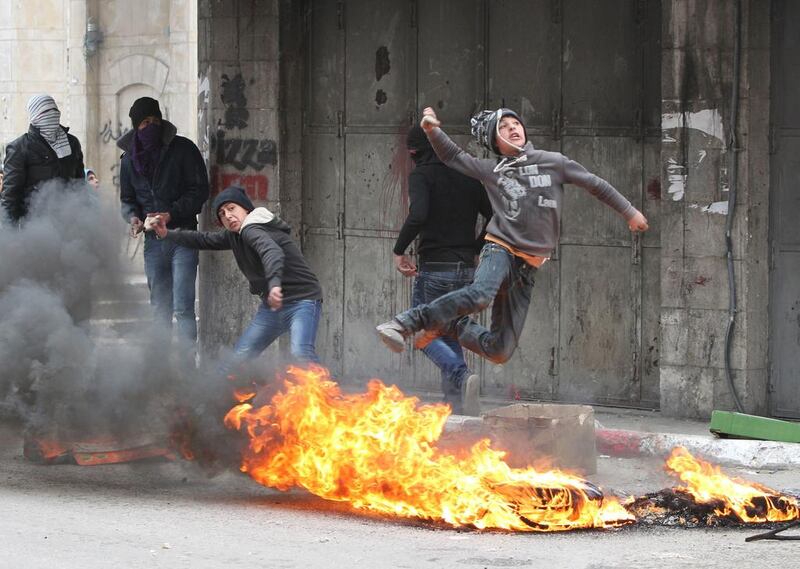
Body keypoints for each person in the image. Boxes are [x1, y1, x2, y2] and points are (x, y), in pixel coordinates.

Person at [377, 106, 649, 366]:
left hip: (528, 266)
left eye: (515, 123)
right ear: (494, 141)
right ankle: (405, 323)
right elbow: (453, 156)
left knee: (499, 350)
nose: (512, 128)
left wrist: (629, 212)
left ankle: (447, 324)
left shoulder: (553, 162)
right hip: (500, 249)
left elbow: (595, 184)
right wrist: (432, 131)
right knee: (480, 295)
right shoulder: (493, 170)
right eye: (503, 127)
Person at [150, 185, 323, 374]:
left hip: (302, 300)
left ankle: (329, 399)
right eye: (222, 214)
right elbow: (203, 239)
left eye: (232, 209)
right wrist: (168, 234)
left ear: (245, 208)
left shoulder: (252, 229)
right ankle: (210, 399)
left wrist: (274, 285)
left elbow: (272, 253)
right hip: (273, 307)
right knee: (236, 361)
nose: (228, 216)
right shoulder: (235, 235)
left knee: (301, 355)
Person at [393, 125, 492, 415]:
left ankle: (461, 376)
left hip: (436, 268)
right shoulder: (469, 175)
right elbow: (495, 216)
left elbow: (419, 214)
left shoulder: (422, 174)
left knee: (422, 333)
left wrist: (399, 250)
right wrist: (474, 248)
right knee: (449, 334)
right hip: (464, 270)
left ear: (415, 152)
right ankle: (457, 409)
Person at [117, 97, 209, 343]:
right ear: (136, 126)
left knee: (183, 308)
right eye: (145, 122)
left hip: (184, 237)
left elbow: (199, 190)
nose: (152, 127)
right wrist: (133, 218)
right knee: (160, 310)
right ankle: (163, 373)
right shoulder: (128, 161)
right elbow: (127, 200)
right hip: (153, 244)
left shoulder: (184, 149)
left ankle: (187, 369)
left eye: (156, 121)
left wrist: (172, 213)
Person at [1, 95, 85, 222]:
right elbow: (11, 195)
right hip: (34, 227)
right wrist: (10, 235)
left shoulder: (72, 143)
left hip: (69, 223)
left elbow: (80, 185)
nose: (51, 115)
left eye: (54, 110)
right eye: (45, 111)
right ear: (34, 116)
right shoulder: (19, 147)